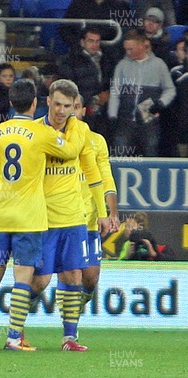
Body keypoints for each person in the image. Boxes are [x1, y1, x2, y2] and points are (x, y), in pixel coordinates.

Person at [0, 79, 83, 351]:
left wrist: (5, 185)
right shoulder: (40, 132)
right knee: (23, 276)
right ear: (35, 103)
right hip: (28, 216)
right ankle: (13, 337)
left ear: (11, 102)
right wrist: (72, 127)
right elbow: (69, 151)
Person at [30, 79, 109, 352]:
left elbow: (94, 174)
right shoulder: (33, 131)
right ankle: (17, 322)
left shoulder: (82, 133)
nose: (63, 111)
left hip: (74, 216)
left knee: (74, 274)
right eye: (59, 104)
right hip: (42, 217)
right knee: (40, 281)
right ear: (48, 101)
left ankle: (69, 338)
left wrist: (102, 210)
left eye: (68, 106)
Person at [73, 95, 119, 306]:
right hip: (61, 220)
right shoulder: (52, 139)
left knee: (90, 278)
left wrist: (113, 213)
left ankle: (83, 300)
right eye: (65, 106)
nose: (70, 112)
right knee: (63, 276)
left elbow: (106, 178)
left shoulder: (97, 141)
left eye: (75, 107)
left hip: (90, 221)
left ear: (83, 110)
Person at [107, 30, 176, 157]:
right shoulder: (122, 65)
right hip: (125, 120)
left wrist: (160, 103)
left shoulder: (159, 65)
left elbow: (170, 89)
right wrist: (112, 116)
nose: (128, 52)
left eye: (130, 49)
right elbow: (115, 92)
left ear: (141, 46)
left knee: (150, 152)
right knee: (119, 154)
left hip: (149, 121)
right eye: (126, 49)